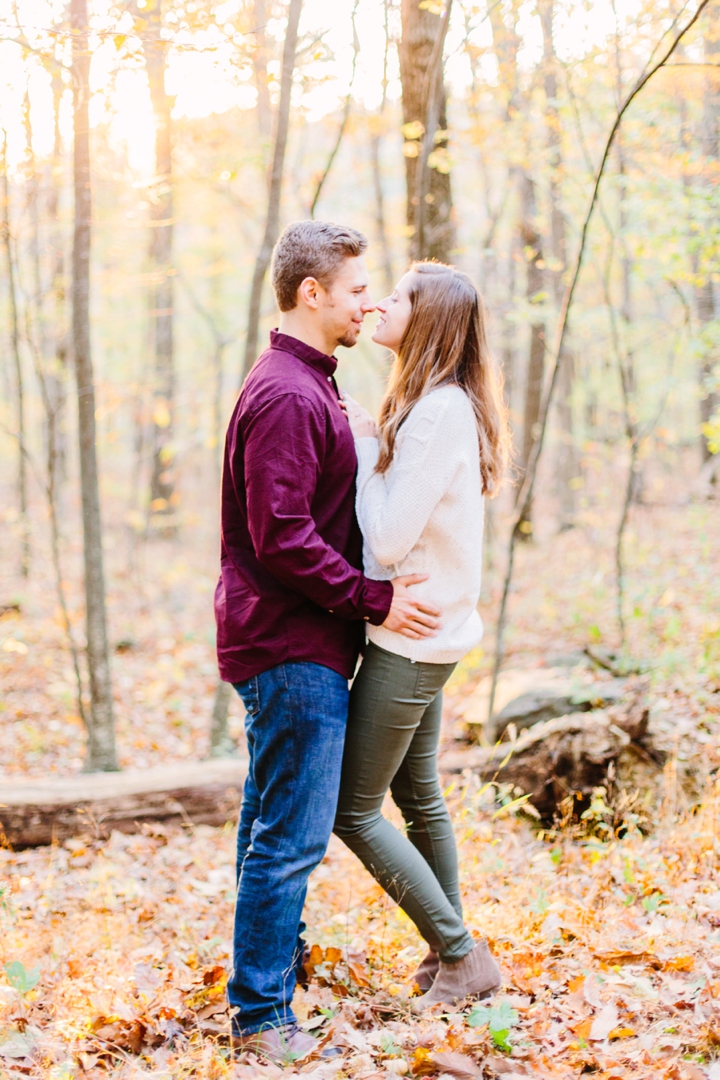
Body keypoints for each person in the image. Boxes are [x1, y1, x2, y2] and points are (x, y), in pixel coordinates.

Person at [215, 222, 442, 1062]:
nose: (367, 304)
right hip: (289, 644)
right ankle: (262, 1018)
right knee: (292, 838)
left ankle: (273, 976)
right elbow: (280, 536)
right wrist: (372, 599)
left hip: (298, 639)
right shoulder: (285, 393)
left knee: (267, 825)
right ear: (312, 294)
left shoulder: (308, 383)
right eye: (355, 291)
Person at [334, 261, 510, 1010]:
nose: (380, 302)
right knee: (420, 795)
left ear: (429, 318)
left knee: (353, 808)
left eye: (398, 296)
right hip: (434, 631)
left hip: (411, 638)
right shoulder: (438, 403)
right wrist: (379, 442)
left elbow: (387, 538)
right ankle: (450, 958)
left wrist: (365, 451)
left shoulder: (437, 411)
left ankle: (462, 953)